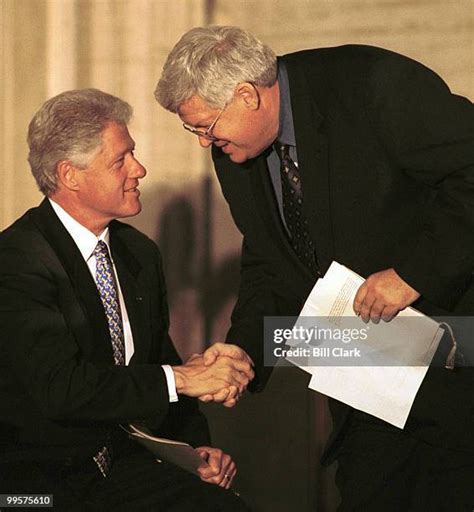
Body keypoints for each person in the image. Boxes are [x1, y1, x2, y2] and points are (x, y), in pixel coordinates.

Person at [155, 26, 474, 510]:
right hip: (370, 385)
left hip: (456, 360)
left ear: (246, 95)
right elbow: (270, 259)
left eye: (205, 126)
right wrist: (243, 352)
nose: (203, 143)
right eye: (192, 129)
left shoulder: (371, 85)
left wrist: (414, 273)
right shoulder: (237, 147)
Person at [0, 88, 254, 511]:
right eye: (121, 159)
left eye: (133, 154)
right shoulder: (16, 260)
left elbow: (159, 361)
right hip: (30, 488)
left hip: (121, 468)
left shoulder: (138, 253)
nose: (140, 169)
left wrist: (196, 448)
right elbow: (61, 389)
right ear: (70, 175)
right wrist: (181, 378)